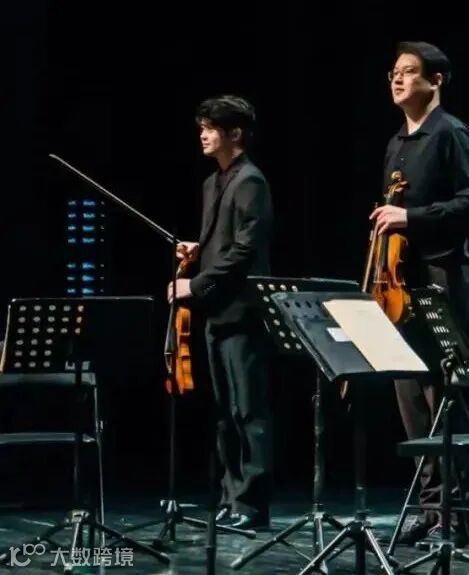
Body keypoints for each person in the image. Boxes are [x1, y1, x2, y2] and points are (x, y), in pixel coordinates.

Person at [373, 41, 469, 547]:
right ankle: (429, 507)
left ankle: (456, 515)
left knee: (442, 394)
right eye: (393, 73)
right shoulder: (397, 143)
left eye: (408, 72)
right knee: (409, 396)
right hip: (400, 282)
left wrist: (411, 217)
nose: (397, 79)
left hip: (441, 278)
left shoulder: (451, 133)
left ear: (436, 80)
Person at [169, 95, 274, 531]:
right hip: (216, 312)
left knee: (249, 411)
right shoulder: (213, 183)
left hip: (243, 312)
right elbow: (222, 242)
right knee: (225, 414)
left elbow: (245, 250)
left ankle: (253, 505)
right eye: (202, 128)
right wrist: (199, 249)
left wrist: (194, 285)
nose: (203, 135)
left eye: (210, 128)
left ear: (235, 133)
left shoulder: (250, 180)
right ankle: (232, 497)